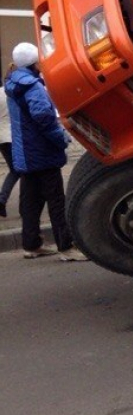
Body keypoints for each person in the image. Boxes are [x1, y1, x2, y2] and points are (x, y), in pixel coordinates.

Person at [4, 42, 87, 260]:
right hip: (42, 153)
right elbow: (43, 117)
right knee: (56, 200)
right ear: (34, 63)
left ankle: (31, 245)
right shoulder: (32, 86)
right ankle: (66, 248)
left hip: (24, 153)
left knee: (30, 201)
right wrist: (61, 139)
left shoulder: (12, 83)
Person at [0, 83, 20, 217]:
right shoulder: (7, 92)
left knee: (16, 170)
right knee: (18, 170)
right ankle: (2, 200)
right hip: (11, 136)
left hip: (2, 137)